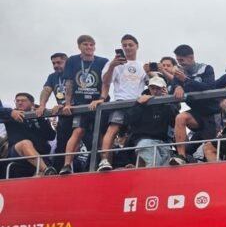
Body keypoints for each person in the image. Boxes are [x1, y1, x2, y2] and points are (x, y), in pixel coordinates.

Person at [95, 34, 148, 171]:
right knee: (112, 129)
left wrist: (151, 72)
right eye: (124, 45)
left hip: (138, 103)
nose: (127, 47)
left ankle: (138, 163)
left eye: (130, 45)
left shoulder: (142, 65)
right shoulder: (114, 64)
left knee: (139, 133)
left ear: (137, 46)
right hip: (120, 101)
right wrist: (113, 65)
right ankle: (105, 161)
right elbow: (106, 81)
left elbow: (153, 84)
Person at [59, 35, 109, 174]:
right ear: (79, 46)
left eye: (91, 45)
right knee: (78, 131)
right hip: (80, 104)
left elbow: (106, 82)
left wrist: (101, 99)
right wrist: (67, 103)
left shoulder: (103, 61)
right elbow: (69, 83)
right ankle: (67, 165)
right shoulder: (72, 60)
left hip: (98, 103)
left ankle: (103, 160)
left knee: (100, 132)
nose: (89, 47)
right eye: (86, 44)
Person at [168, 44, 218, 165]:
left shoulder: (206, 68)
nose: (180, 63)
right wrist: (177, 86)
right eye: (178, 60)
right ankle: (181, 156)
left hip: (213, 114)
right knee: (180, 117)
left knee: (210, 147)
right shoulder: (179, 72)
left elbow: (209, 87)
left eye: (181, 60)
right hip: (196, 114)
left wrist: (185, 80)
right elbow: (172, 87)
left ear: (191, 57)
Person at [126, 76, 179, 167]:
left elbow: (174, 122)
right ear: (149, 88)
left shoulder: (167, 104)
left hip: (163, 142)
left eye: (158, 88)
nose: (155, 91)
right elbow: (128, 120)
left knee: (165, 169)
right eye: (152, 88)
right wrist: (138, 104)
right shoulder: (141, 101)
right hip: (144, 140)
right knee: (155, 165)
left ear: (164, 89)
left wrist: (168, 101)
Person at [0, 93, 57, 176]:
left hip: (40, 156)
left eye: (23, 100)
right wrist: (10, 112)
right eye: (17, 101)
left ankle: (44, 171)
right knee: (25, 143)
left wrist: (41, 119)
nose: (19, 103)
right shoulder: (11, 114)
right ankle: (47, 170)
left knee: (40, 178)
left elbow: (51, 136)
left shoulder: (40, 115)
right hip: (16, 152)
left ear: (32, 103)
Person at [35, 53, 68, 169]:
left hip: (76, 111)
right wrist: (42, 106)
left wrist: (64, 104)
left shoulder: (73, 73)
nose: (55, 65)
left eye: (59, 62)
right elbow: (46, 90)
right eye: (53, 63)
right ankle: (59, 170)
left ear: (67, 62)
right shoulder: (52, 77)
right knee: (61, 144)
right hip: (64, 116)